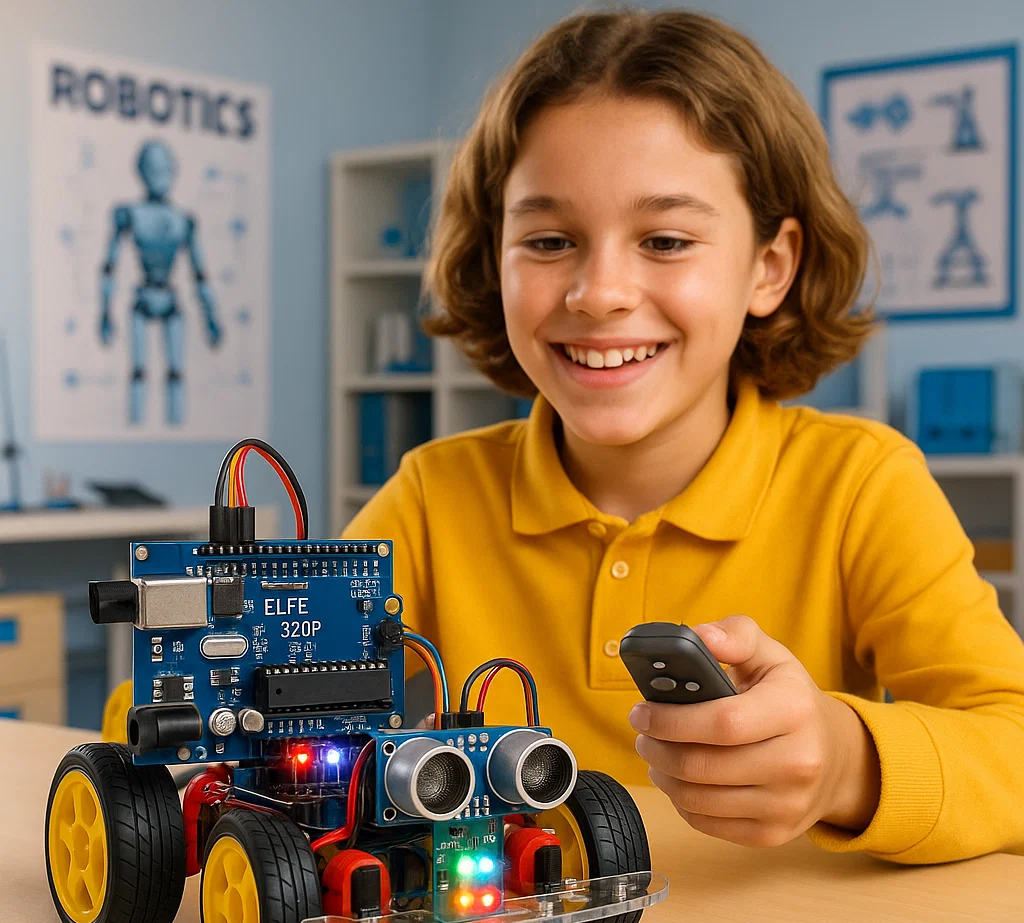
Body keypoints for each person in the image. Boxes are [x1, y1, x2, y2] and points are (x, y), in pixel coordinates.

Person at [343, 8, 1024, 863]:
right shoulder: (434, 496)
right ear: (494, 258)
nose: (600, 292)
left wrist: (847, 760)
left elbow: (1014, 744)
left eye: (665, 240)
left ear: (769, 267)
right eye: (549, 240)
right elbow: (245, 687)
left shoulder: (862, 484)